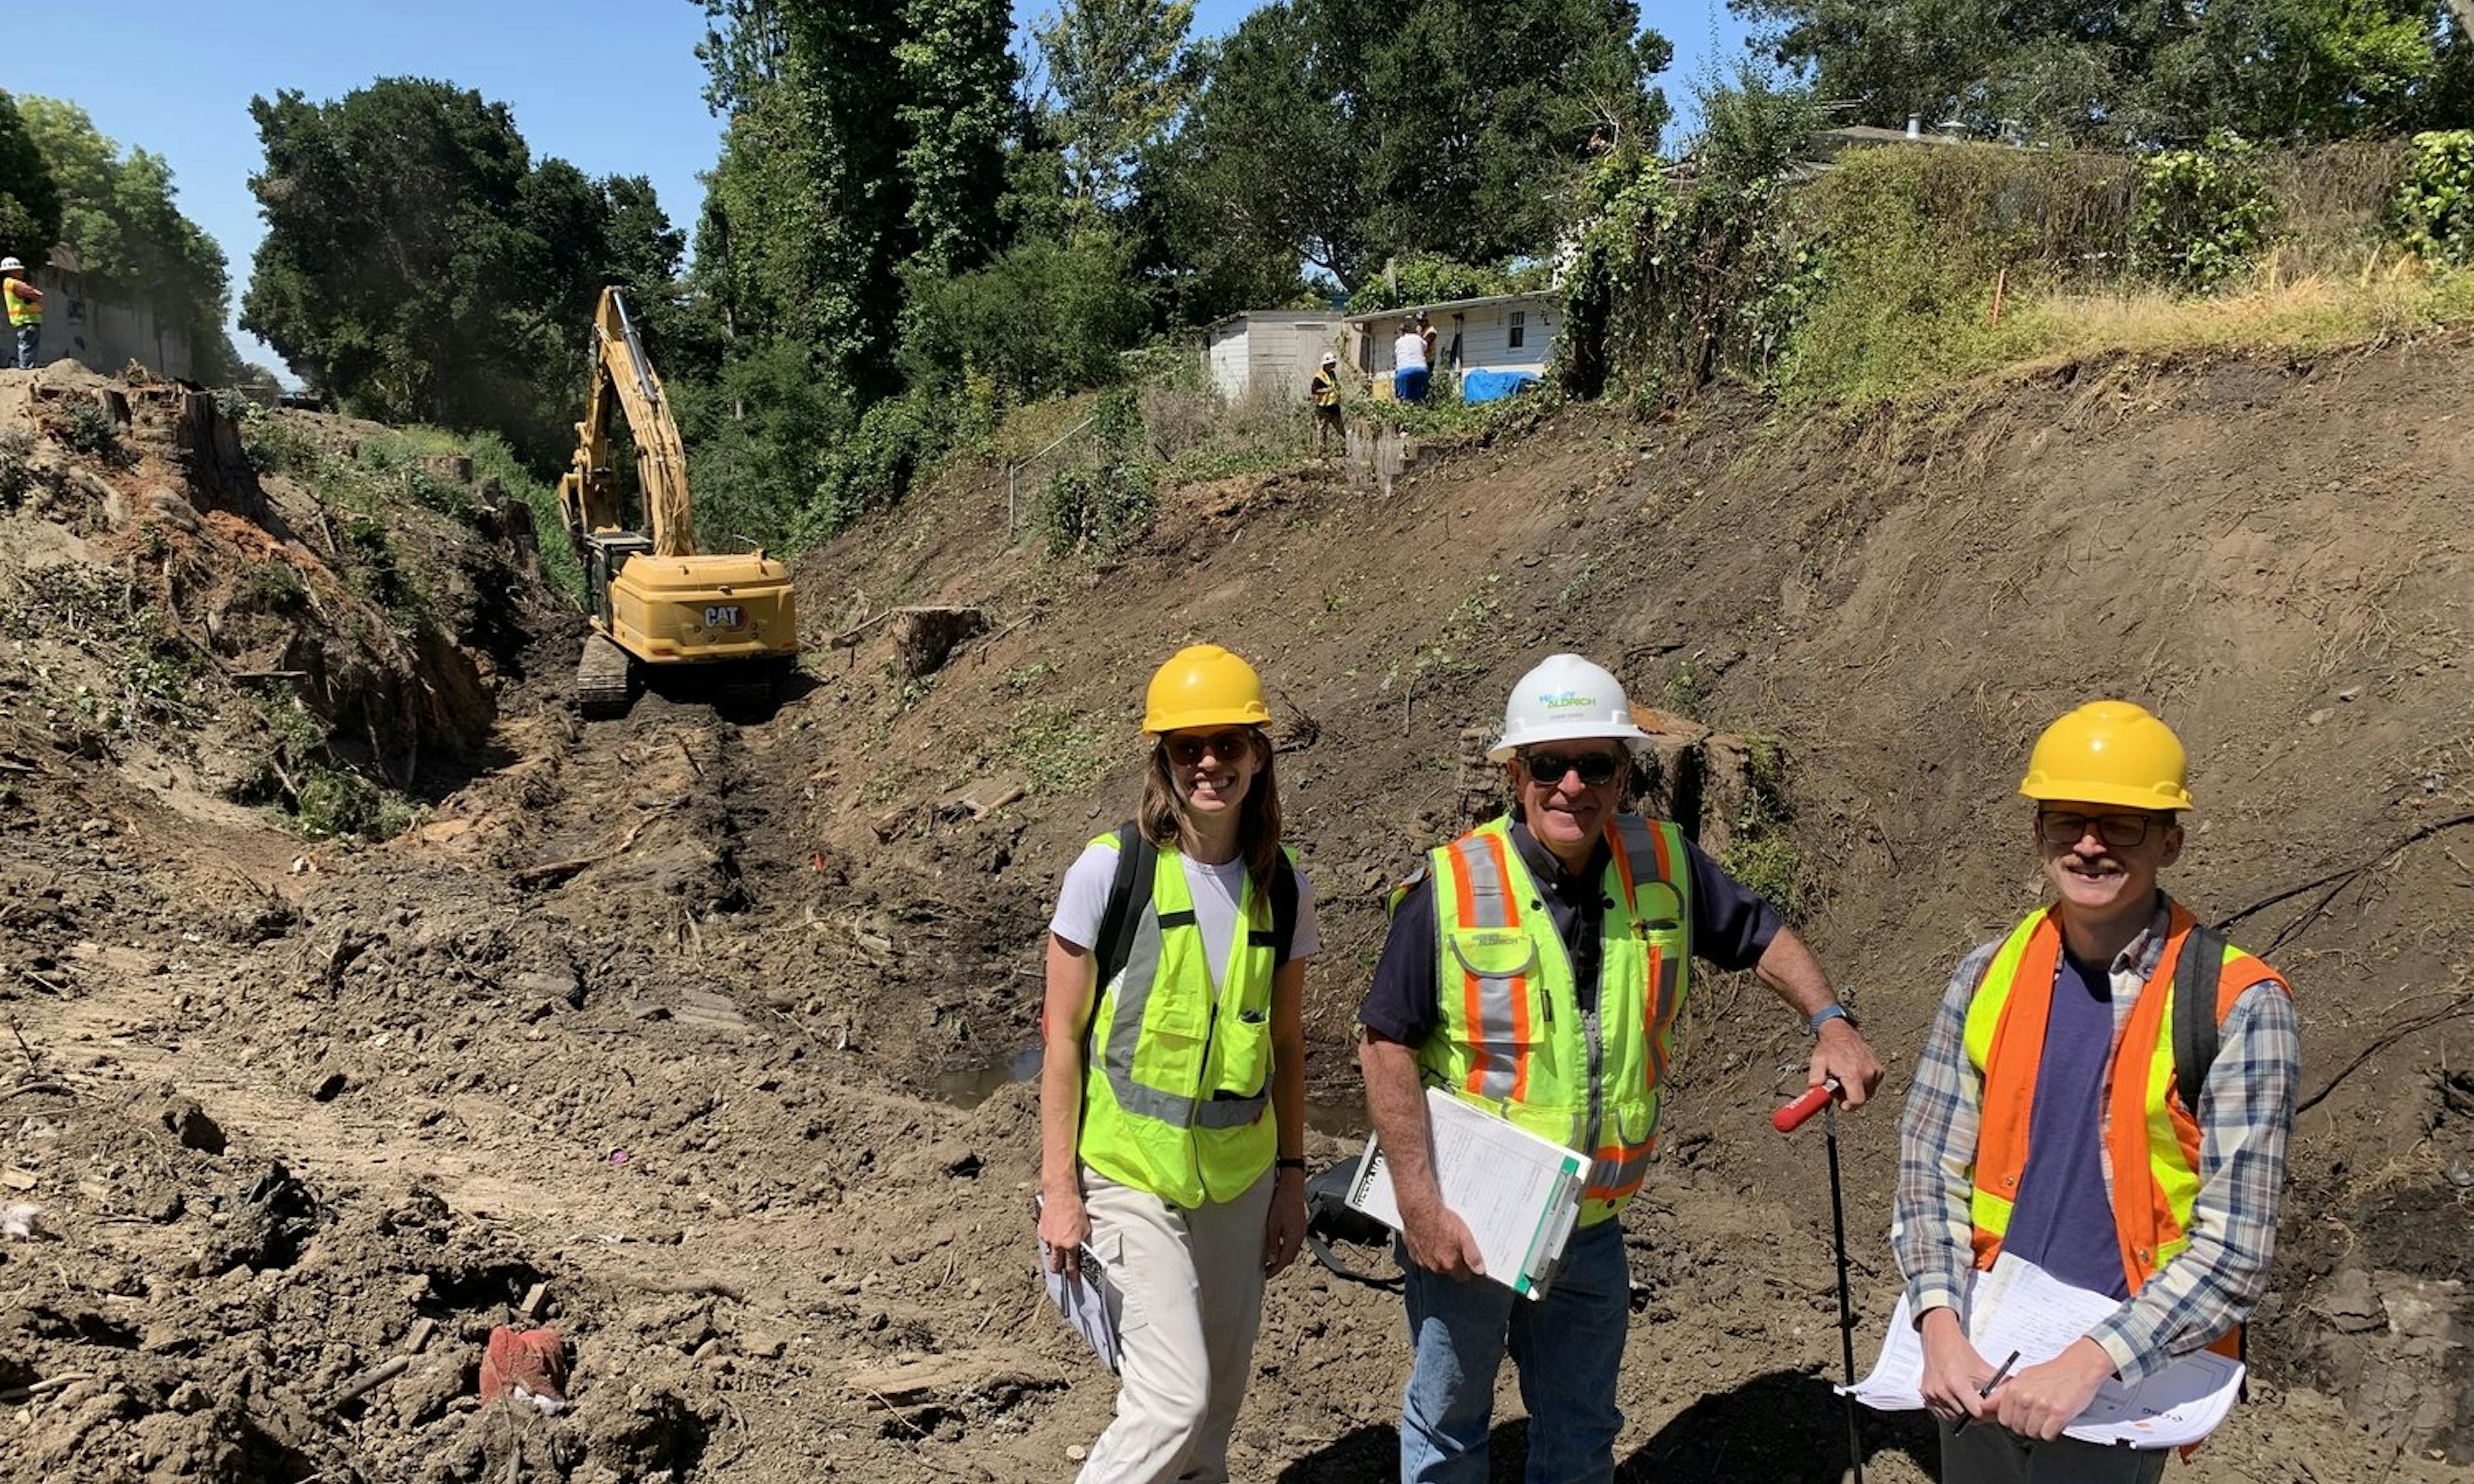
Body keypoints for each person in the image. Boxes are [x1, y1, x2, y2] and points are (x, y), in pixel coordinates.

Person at [1358, 652, 1884, 1483]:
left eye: (1595, 763)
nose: (1573, 785)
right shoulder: (1455, 885)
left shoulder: (1664, 864)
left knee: (1580, 1429)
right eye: (1549, 765)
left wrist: (1831, 1022)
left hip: (1591, 1222)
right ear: (1515, 774)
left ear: (1625, 772)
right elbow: (1384, 1043)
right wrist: (1420, 1206)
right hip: (1475, 1216)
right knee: (1450, 1425)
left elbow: (1760, 935)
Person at [1891, 701, 2299, 1483]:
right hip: (1980, 1345)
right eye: (2068, 820)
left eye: (2122, 824)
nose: (2088, 844)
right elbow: (1928, 1165)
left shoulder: (2238, 1007)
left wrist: (2087, 1364)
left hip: (2118, 1378)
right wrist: (1940, 1325)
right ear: (2037, 830)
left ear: (2170, 841)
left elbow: (2235, 1250)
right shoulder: (1986, 975)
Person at [1037, 643, 1318, 1484]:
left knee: (1212, 1424)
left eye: (1228, 744)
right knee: (1172, 1400)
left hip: (1238, 1184)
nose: (1209, 764)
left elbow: (1288, 1048)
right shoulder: (1110, 871)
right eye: (1188, 747)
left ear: (1258, 754)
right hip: (1128, 1175)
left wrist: (1293, 1180)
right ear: (1162, 757)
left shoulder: (1285, 888)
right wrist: (1060, 1190)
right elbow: (1061, 1038)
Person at [3, 257, 42, 371]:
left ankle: (28, 368)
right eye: (19, 270)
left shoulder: (9, 283)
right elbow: (34, 294)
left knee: (28, 345)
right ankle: (27, 369)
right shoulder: (14, 283)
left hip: (25, 320)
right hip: (27, 319)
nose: (21, 272)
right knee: (28, 346)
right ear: (12, 271)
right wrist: (36, 294)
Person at [1309, 352, 1345, 458]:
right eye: (1331, 364)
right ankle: (1322, 452)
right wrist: (1326, 391)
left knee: (1341, 429)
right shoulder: (1319, 377)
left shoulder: (1332, 375)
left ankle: (1345, 449)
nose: (1333, 366)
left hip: (1334, 407)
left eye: (1334, 364)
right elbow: (1314, 390)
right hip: (1323, 408)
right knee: (1322, 430)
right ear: (1325, 365)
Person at [1394, 317, 1430, 404]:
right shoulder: (1420, 339)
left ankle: (1401, 414)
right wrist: (1420, 334)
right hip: (1421, 369)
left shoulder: (1399, 341)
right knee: (1419, 398)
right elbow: (1425, 348)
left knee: (1402, 399)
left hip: (1404, 370)